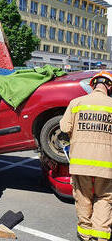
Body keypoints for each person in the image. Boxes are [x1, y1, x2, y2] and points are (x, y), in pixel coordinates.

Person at [60, 71, 112, 241]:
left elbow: (64, 128)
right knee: (104, 198)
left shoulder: (76, 103)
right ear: (109, 87)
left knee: (83, 197)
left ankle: (85, 233)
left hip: (80, 162)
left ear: (92, 85)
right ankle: (101, 235)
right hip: (107, 164)